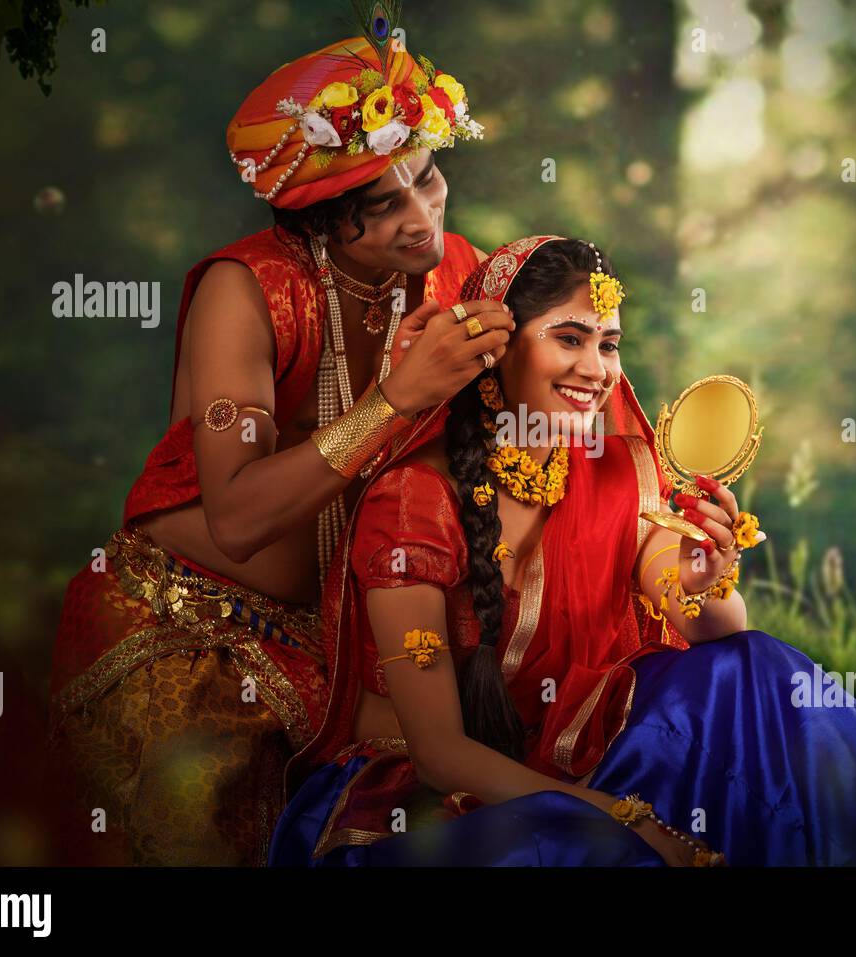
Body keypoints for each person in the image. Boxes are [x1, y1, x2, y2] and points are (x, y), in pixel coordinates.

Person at [270, 236, 856, 867]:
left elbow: (708, 623)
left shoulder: (607, 465)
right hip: (437, 797)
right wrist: (626, 815)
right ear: (495, 356)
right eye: (569, 338)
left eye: (609, 343)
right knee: (583, 845)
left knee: (759, 665)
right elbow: (440, 753)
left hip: (582, 741)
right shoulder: (412, 504)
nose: (599, 367)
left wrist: (704, 578)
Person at [49, 18, 516, 865]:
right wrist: (396, 398)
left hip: (347, 631)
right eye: (385, 206)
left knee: (485, 770)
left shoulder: (455, 272)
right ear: (318, 217)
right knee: (202, 811)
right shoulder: (249, 292)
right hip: (191, 625)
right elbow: (236, 519)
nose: (423, 219)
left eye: (430, 178)